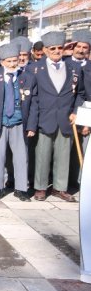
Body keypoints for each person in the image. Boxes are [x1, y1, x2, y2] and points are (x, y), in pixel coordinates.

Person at [29, 31, 85, 201]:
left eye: (60, 48)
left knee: (63, 155)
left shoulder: (74, 67)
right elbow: (32, 97)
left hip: (66, 117)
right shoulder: (35, 68)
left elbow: (80, 93)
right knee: (42, 154)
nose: (56, 51)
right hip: (44, 118)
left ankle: (60, 188)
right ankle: (40, 187)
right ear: (45, 50)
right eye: (52, 48)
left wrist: (76, 112)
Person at [0, 43, 36, 202]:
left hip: (19, 121)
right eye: (9, 61)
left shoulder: (27, 77)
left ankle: (21, 188)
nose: (13, 64)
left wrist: (32, 125)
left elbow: (34, 102)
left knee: (21, 156)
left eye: (16, 60)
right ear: (1, 62)